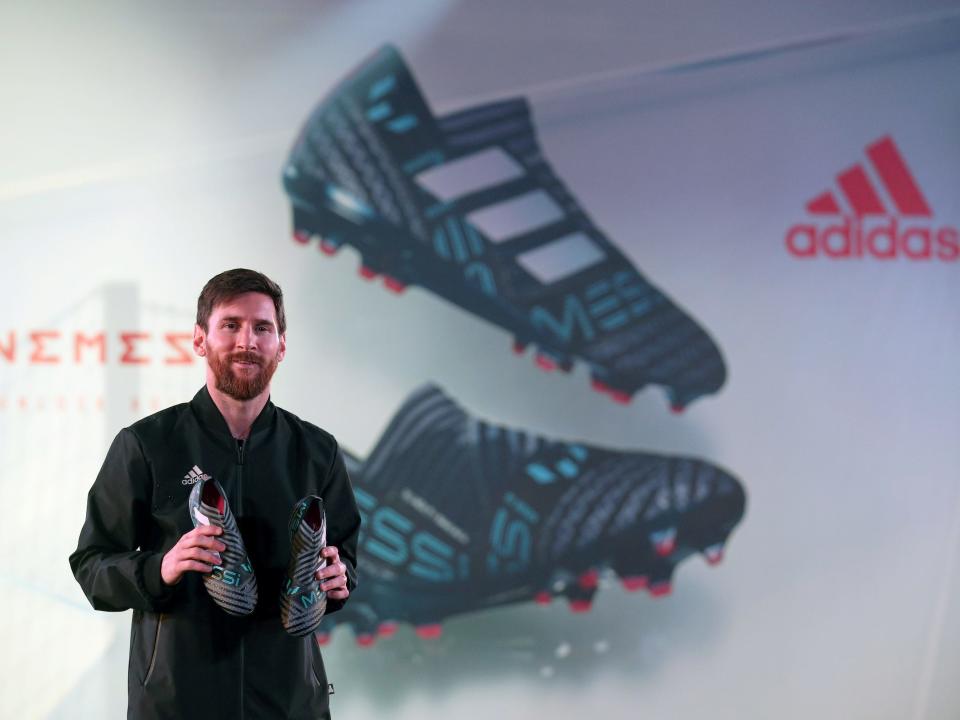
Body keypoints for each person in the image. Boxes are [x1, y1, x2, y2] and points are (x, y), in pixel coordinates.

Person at [69, 269, 360, 719]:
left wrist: (338, 582)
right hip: (176, 702)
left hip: (289, 702)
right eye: (231, 325)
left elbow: (347, 562)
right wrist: (160, 569)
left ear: (281, 346)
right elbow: (91, 566)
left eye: (262, 328)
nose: (248, 341)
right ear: (199, 339)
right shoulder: (147, 444)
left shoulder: (316, 451)